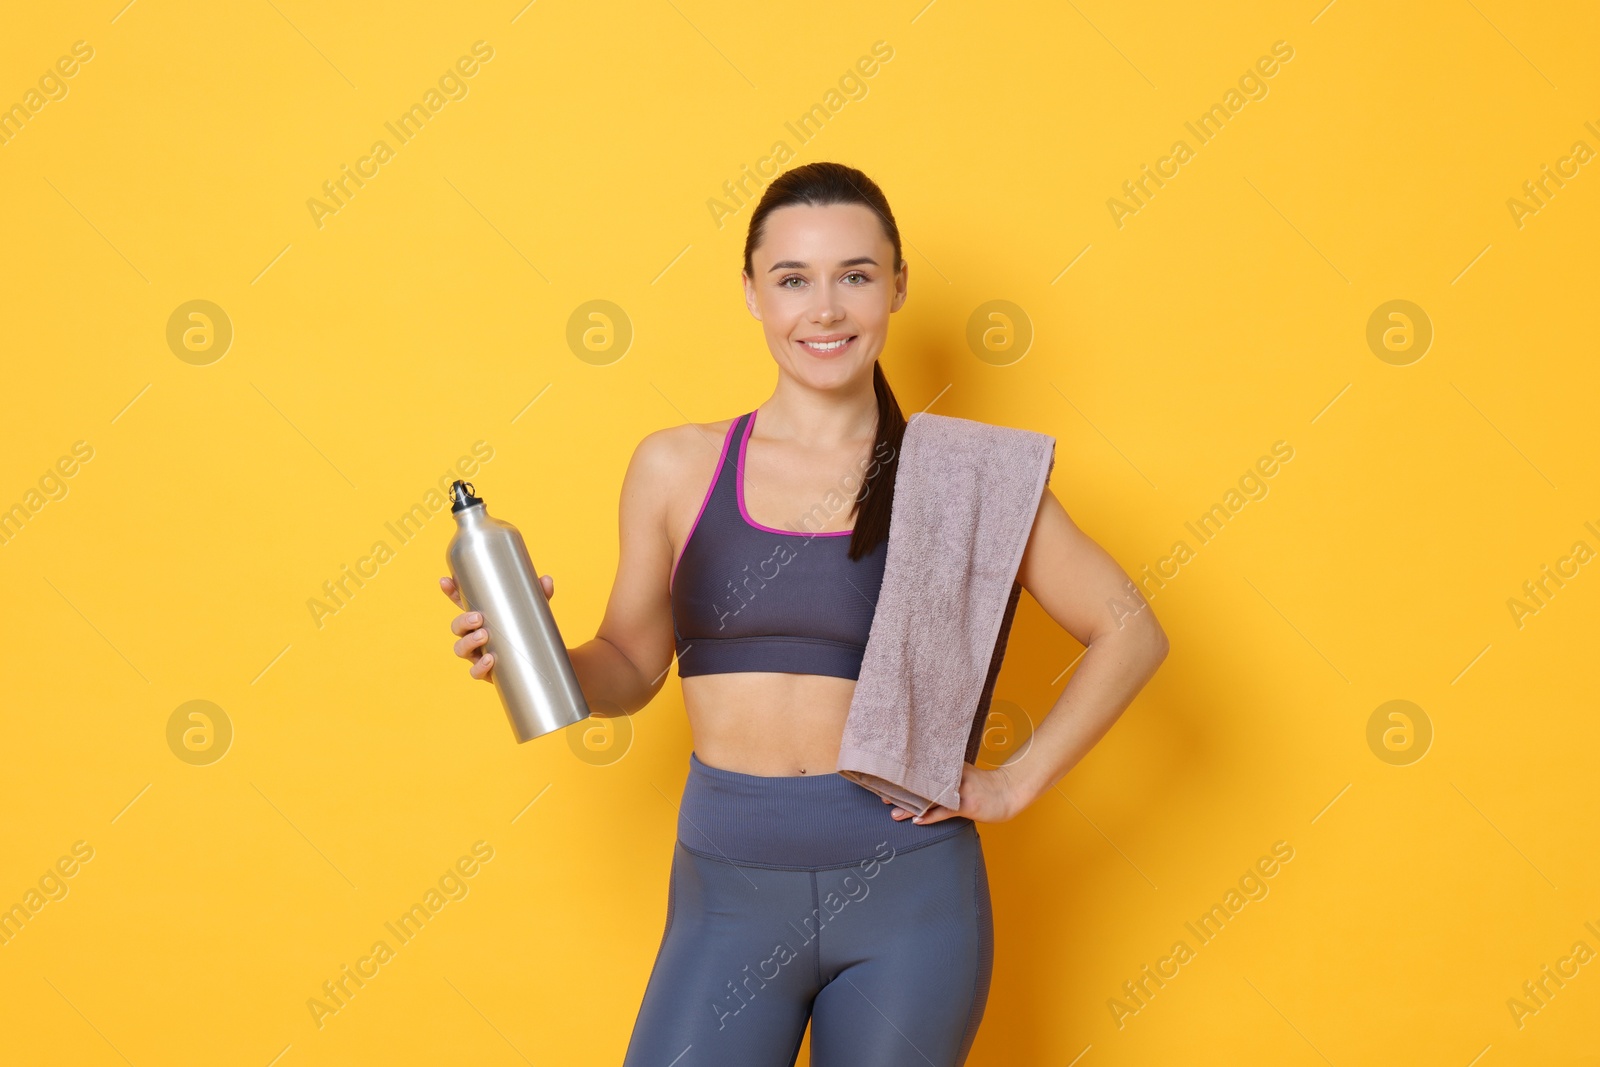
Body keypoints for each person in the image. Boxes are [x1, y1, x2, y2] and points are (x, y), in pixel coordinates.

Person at [439, 161, 1169, 1066]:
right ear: (751, 292)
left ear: (898, 286)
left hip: (911, 901)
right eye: (793, 280)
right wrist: (533, 653)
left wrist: (1012, 783)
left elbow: (1130, 628)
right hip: (727, 894)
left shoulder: (963, 475)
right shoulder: (675, 466)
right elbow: (628, 667)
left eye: (855, 276)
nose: (824, 309)